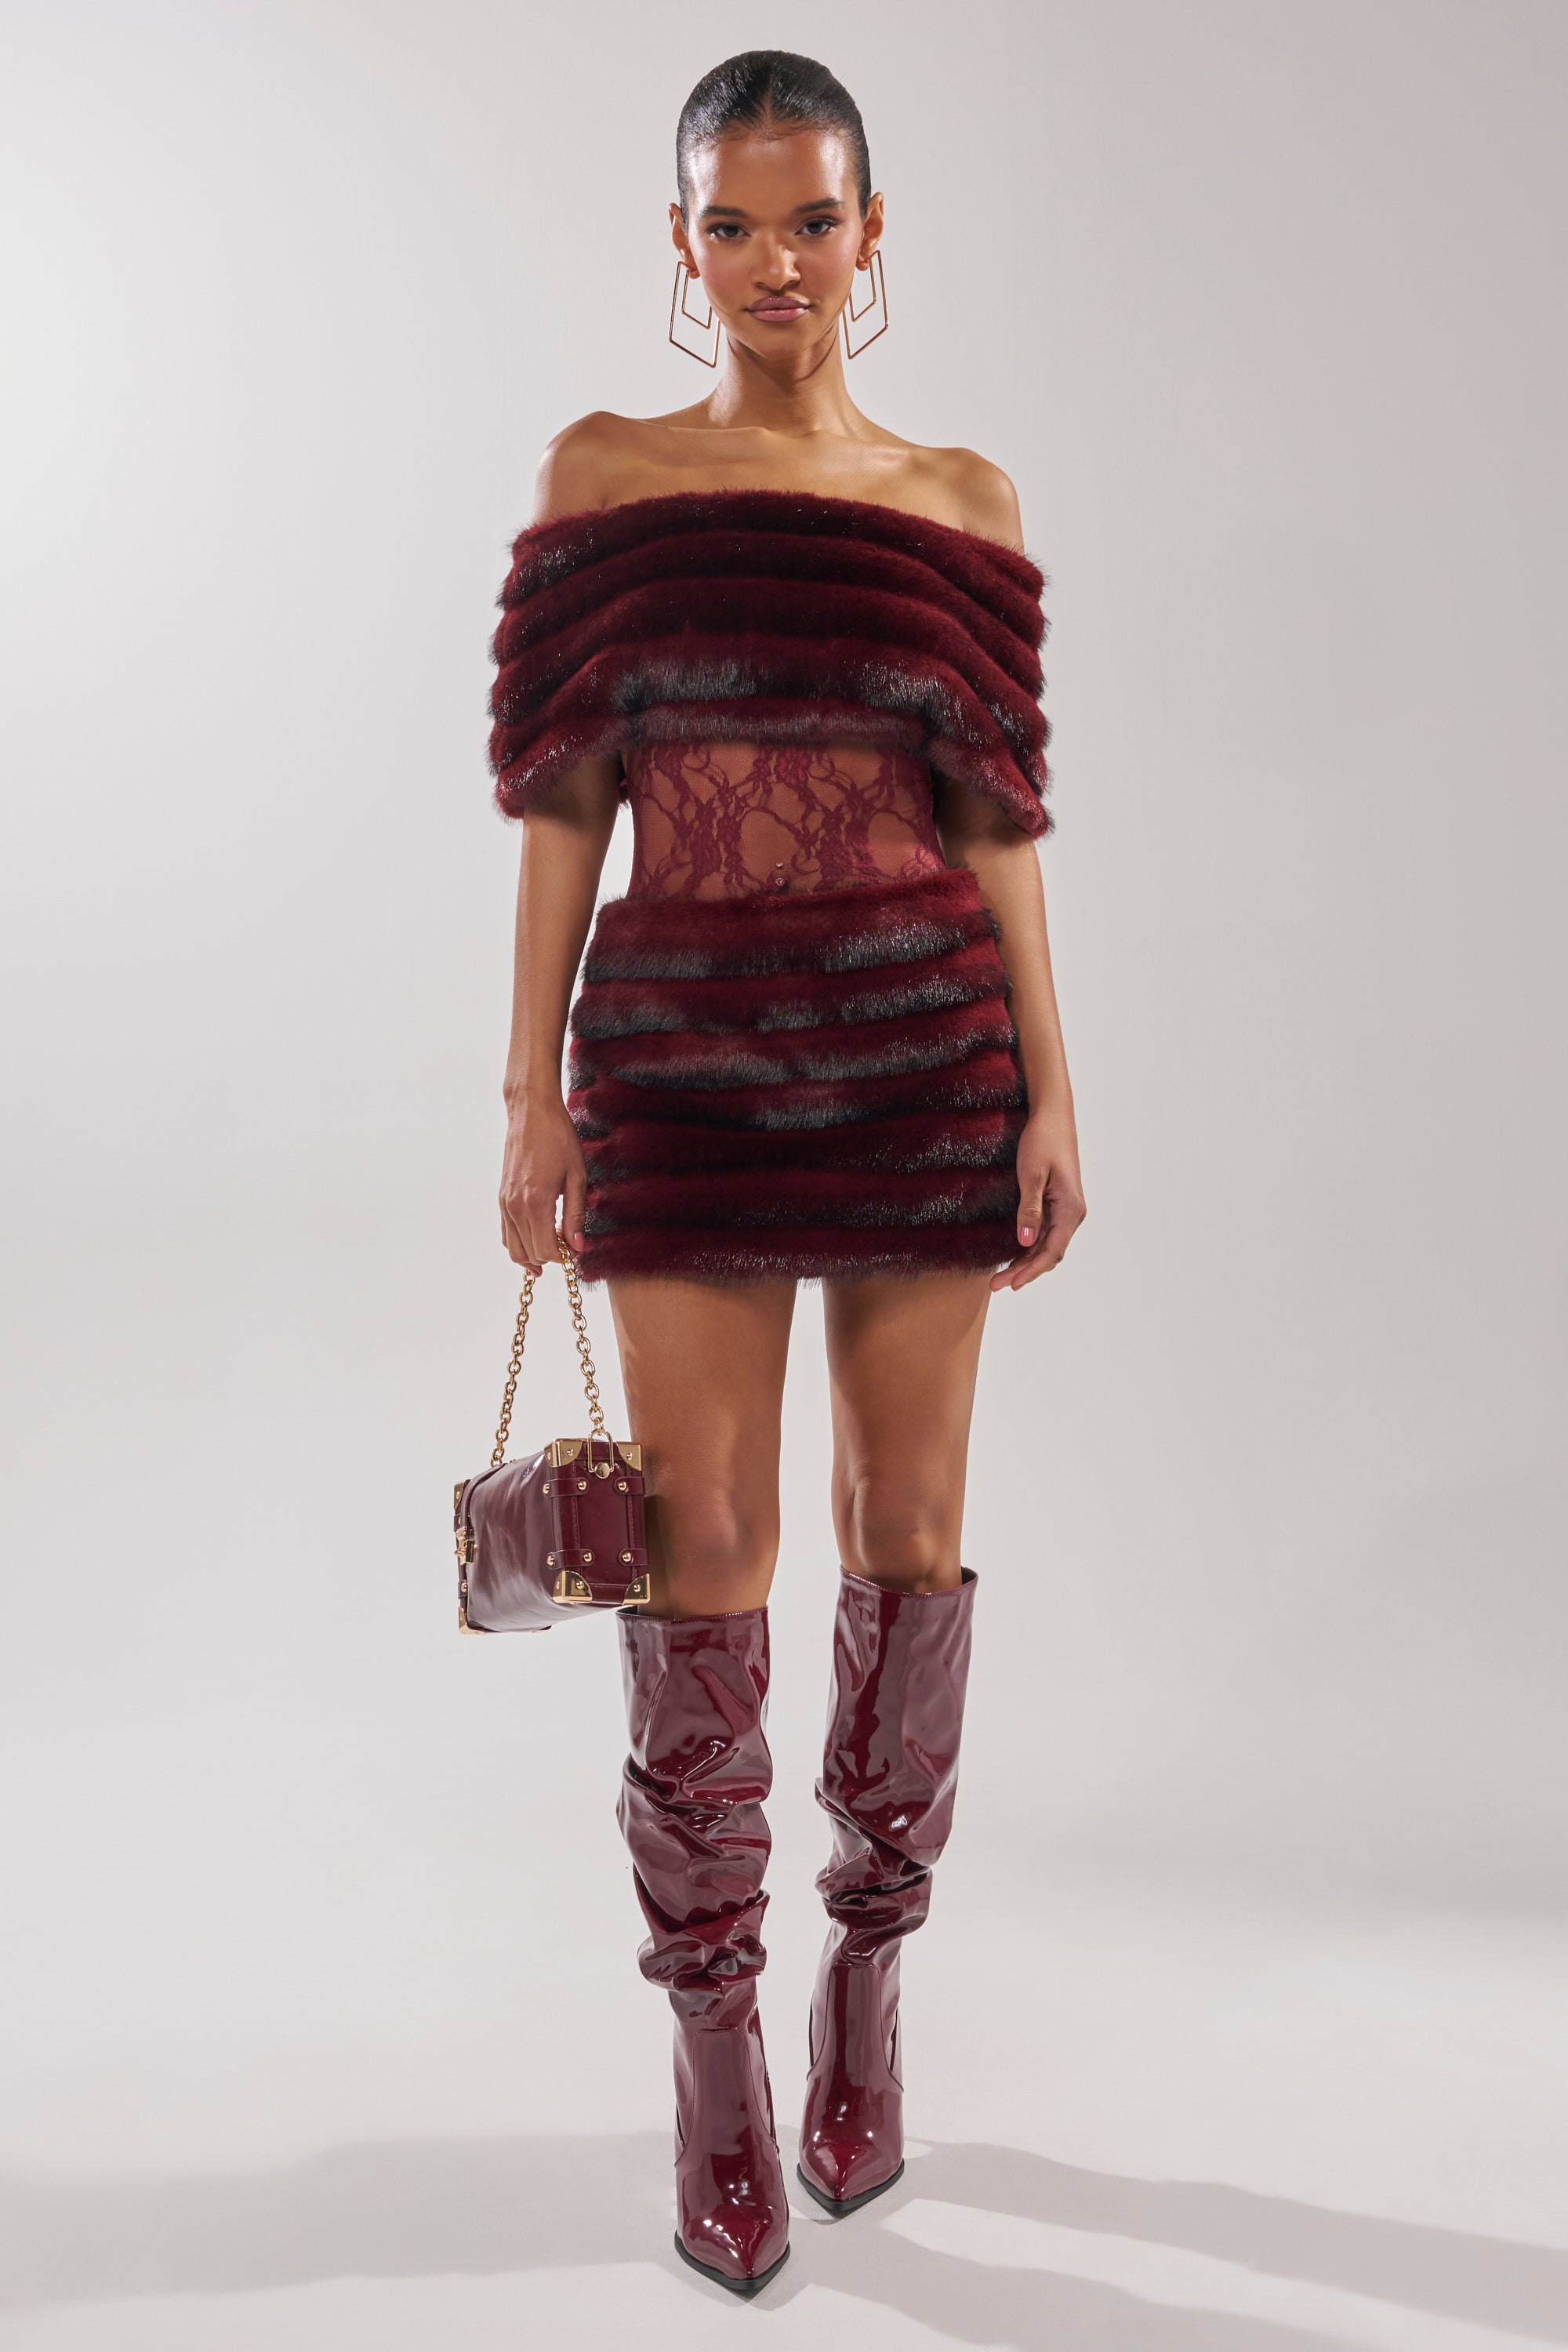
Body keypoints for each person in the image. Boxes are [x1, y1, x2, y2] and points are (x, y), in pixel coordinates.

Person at [489, 50, 1085, 2296]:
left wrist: (1052, 1089)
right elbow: (567, 800)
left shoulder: (961, 497)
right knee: (704, 1544)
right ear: (680, 242)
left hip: (922, 1055)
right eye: (730, 225)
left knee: (904, 1533)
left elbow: (998, 823)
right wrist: (528, 1089)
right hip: (680, 1064)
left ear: (871, 231)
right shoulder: (606, 477)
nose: (773, 264)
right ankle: (717, 2050)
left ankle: (868, 1988)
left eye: (811, 220)